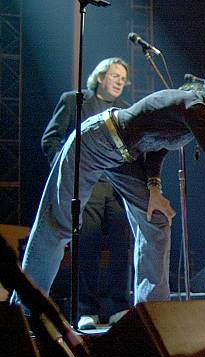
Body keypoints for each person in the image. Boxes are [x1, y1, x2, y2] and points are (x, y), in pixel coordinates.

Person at [12, 63, 205, 312]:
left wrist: (154, 189)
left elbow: (158, 147)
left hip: (125, 158)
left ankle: (151, 313)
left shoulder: (197, 116)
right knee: (58, 224)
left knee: (157, 220)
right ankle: (25, 312)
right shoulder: (193, 106)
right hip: (96, 140)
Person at [41, 57, 132, 330]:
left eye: (123, 78)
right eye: (115, 75)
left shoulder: (126, 110)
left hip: (116, 188)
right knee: (87, 247)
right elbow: (51, 138)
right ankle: (86, 310)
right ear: (100, 76)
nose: (119, 81)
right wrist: (67, 170)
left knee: (120, 247)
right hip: (85, 184)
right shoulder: (74, 100)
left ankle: (118, 308)